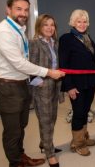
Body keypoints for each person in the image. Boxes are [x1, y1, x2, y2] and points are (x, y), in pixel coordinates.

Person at [0, 0, 65, 167]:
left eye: (26, 10)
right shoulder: (3, 32)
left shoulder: (19, 30)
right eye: (18, 9)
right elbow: (21, 63)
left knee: (21, 126)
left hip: (20, 85)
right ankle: (17, 162)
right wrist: (47, 75)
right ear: (8, 9)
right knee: (13, 131)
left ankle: (21, 157)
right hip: (7, 87)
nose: (23, 13)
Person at [59, 9, 95, 156]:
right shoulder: (66, 39)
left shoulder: (87, 38)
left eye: (84, 21)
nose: (82, 24)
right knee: (78, 112)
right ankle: (78, 144)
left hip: (90, 82)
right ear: (73, 22)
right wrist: (69, 87)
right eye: (78, 21)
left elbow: (93, 58)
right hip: (76, 84)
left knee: (85, 110)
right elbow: (64, 65)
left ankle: (83, 137)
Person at [29, 14, 64, 167]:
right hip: (42, 87)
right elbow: (29, 64)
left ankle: (45, 143)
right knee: (45, 120)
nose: (50, 28)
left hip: (55, 86)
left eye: (52, 25)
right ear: (39, 27)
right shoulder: (35, 43)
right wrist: (37, 81)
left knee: (53, 118)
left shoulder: (54, 43)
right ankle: (50, 154)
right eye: (45, 25)